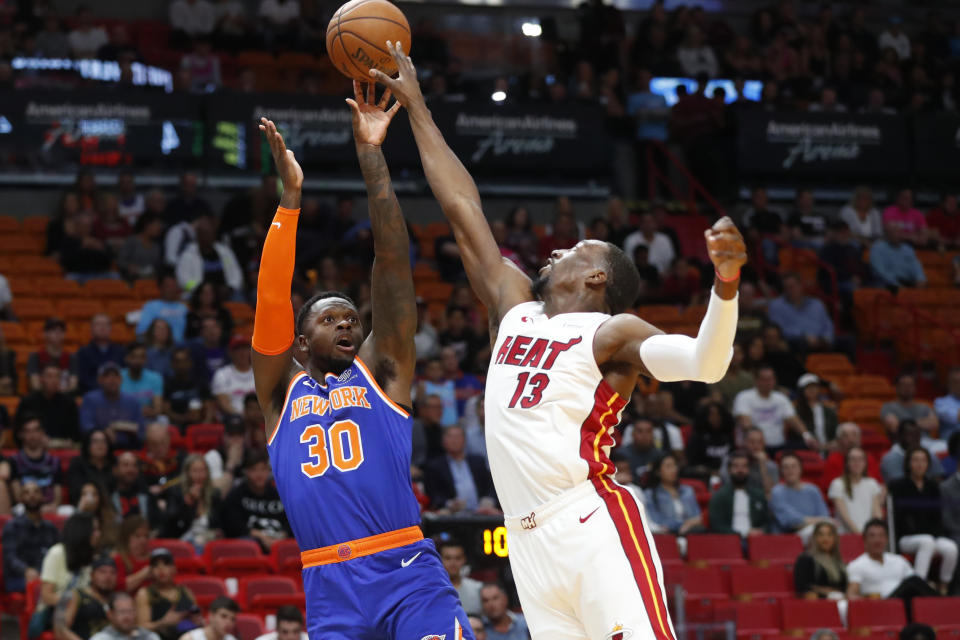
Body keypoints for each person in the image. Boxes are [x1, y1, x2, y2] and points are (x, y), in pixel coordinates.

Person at [383, 48, 742, 640]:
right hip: (525, 543)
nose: (557, 250)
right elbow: (461, 206)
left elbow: (707, 365)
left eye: (576, 249)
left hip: (589, 520)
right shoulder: (514, 306)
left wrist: (724, 287)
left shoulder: (611, 333)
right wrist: (417, 106)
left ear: (598, 277)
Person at [250, 97, 474, 638]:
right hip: (330, 585)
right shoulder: (279, 390)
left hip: (406, 571)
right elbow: (271, 303)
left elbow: (393, 263)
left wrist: (372, 156)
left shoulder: (383, 373)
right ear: (301, 341)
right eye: (331, 319)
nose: (348, 325)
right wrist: (290, 202)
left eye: (352, 318)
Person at [888, 447, 958, 593]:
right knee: (926, 541)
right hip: (906, 538)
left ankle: (944, 586)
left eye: (923, 460)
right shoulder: (898, 486)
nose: (919, 464)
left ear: (928, 464)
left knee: (951, 548)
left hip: (931, 536)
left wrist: (935, 533)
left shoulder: (933, 487)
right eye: (915, 460)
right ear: (908, 463)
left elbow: (937, 517)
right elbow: (898, 518)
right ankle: (919, 585)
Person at [33, 513, 101, 638]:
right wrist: (75, 602)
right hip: (57, 610)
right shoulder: (57, 553)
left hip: (85, 610)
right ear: (83, 532)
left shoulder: (94, 557)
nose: (99, 534)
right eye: (95, 530)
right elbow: (47, 595)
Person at [846, 519, 937, 607]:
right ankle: (943, 603)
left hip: (905, 604)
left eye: (881, 535)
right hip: (881, 606)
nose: (877, 540)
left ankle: (942, 603)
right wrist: (868, 599)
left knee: (916, 582)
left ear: (886, 539)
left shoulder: (898, 560)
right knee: (913, 582)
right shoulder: (857, 565)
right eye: (872, 536)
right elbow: (851, 595)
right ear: (865, 540)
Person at [423, 425, 497, 513]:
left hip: (481, 512)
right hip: (451, 515)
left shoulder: (478, 461)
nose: (454, 440)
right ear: (443, 441)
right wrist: (449, 504)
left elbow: (491, 486)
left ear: (465, 441)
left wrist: (489, 500)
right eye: (450, 437)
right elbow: (433, 494)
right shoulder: (435, 466)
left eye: (458, 437)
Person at [1, 482, 60, 592]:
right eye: (27, 492)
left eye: (36, 492)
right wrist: (26, 570)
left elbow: (58, 552)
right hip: (19, 577)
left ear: (43, 497)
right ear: (21, 498)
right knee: (38, 586)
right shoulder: (12, 526)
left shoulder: (50, 528)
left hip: (46, 576)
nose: (32, 495)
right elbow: (9, 557)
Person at [733, 367, 808, 451]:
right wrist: (757, 443)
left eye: (770, 379)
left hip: (779, 445)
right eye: (764, 379)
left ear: (775, 380)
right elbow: (745, 423)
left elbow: (793, 420)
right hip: (753, 447)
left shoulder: (781, 398)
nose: (767, 382)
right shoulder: (744, 397)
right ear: (756, 380)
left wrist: (807, 436)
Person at [135, 549, 201, 640]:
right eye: (155, 565)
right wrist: (162, 623)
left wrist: (198, 621)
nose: (160, 569)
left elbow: (196, 617)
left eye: (166, 564)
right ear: (151, 571)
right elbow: (141, 628)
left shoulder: (186, 592)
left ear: (174, 568)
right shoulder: (145, 593)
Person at [162, 454, 221, 549]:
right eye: (195, 471)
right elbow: (170, 525)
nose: (199, 475)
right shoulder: (176, 492)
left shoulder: (214, 494)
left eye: (203, 470)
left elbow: (219, 524)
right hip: (182, 540)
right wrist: (188, 503)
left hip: (209, 540)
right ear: (187, 473)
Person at [769, 452, 832, 540]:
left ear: (800, 469)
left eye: (793, 466)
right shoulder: (776, 492)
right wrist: (819, 521)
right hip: (788, 538)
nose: (790, 470)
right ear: (781, 471)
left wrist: (822, 521)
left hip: (815, 533)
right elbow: (791, 521)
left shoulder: (813, 490)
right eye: (786, 467)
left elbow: (824, 515)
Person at [80, 363, 144, 449]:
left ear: (121, 379)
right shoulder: (90, 399)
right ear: (99, 380)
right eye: (107, 376)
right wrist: (103, 432)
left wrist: (133, 432)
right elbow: (86, 426)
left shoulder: (132, 401)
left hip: (128, 448)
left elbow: (141, 430)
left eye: (115, 376)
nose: (112, 379)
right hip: (99, 448)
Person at [54, 555, 118, 640]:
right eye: (102, 572)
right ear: (92, 575)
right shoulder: (74, 595)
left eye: (112, 572)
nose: (108, 577)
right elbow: (60, 630)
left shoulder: (119, 599)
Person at [767, 274, 834, 352]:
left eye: (792, 287)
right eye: (786, 288)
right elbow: (778, 330)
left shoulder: (817, 304)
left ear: (801, 286)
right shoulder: (776, 305)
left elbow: (828, 325)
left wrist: (826, 338)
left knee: (846, 341)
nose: (789, 290)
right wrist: (804, 337)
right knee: (798, 344)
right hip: (796, 342)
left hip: (821, 340)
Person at [18, 363, 81, 446]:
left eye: (57, 376)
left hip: (63, 447)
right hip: (34, 447)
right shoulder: (28, 401)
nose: (53, 380)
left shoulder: (69, 403)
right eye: (49, 376)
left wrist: (69, 440)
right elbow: (18, 431)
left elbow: (76, 431)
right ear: (41, 378)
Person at [708, 450, 769, 537]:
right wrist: (741, 534)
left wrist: (760, 531)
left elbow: (768, 523)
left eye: (744, 466)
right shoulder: (719, 496)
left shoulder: (758, 495)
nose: (740, 470)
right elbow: (716, 525)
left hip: (756, 541)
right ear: (729, 470)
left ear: (749, 470)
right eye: (736, 466)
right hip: (729, 542)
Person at [10, 414, 63, 512]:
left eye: (36, 430)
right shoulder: (14, 461)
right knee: (18, 510)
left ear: (42, 432)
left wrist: (52, 506)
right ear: (21, 434)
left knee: (68, 510)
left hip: (49, 507)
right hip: (24, 509)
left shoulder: (54, 461)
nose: (32, 435)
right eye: (28, 431)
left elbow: (58, 497)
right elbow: (18, 497)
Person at [828, 447, 884, 535]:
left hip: (868, 535)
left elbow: (877, 513)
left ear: (865, 463)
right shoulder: (837, 484)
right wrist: (860, 535)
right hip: (846, 535)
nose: (857, 462)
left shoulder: (872, 483)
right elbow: (845, 517)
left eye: (860, 459)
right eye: (852, 459)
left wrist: (874, 533)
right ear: (847, 463)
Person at [643, 453, 703, 535]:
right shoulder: (650, 494)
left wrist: (689, 524)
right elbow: (656, 521)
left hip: (691, 533)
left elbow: (698, 517)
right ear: (658, 472)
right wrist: (684, 525)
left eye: (675, 466)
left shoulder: (688, 491)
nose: (673, 470)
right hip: (667, 536)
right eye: (668, 466)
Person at [820, 423, 882, 492]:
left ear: (860, 439)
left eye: (854, 435)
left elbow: (879, 484)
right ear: (838, 441)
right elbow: (830, 489)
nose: (851, 439)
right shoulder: (833, 460)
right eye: (845, 436)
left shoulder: (869, 458)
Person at [794, 521, 848, 600]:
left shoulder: (839, 562)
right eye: (821, 535)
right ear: (814, 537)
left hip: (840, 600)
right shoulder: (805, 559)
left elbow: (844, 586)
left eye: (829, 535)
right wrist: (824, 591)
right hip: (818, 602)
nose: (825, 539)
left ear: (835, 538)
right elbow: (802, 587)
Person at [76, 314, 127, 394]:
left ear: (110, 328)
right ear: (91, 329)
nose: (102, 327)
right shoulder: (83, 352)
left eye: (105, 324)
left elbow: (124, 375)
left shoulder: (121, 351)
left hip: (117, 394)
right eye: (98, 324)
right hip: (92, 395)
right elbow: (83, 379)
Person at [881, 374, 939, 440]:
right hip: (902, 443)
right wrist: (922, 423)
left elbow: (934, 424)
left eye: (910, 385)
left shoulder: (924, 407)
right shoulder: (888, 407)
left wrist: (908, 423)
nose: (907, 388)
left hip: (925, 441)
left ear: (915, 387)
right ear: (896, 387)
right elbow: (894, 427)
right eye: (903, 385)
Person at [27, 317, 77, 393]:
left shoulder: (71, 358)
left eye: (61, 331)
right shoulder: (35, 356)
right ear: (45, 334)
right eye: (53, 330)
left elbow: (73, 385)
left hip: (64, 398)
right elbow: (35, 385)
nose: (57, 333)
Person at [136, 272, 189, 343]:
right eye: (168, 286)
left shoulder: (183, 308)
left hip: (181, 349)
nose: (171, 289)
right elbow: (141, 333)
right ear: (161, 288)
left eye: (173, 286)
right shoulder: (151, 306)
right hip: (159, 348)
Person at [685, 402, 735, 476]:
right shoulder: (697, 437)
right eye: (711, 415)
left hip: (727, 475)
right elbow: (693, 464)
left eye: (718, 415)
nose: (715, 418)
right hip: (704, 476)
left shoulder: (728, 436)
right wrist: (710, 472)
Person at [211, 335, 255, 418]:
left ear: (250, 350)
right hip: (233, 418)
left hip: (259, 418)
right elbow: (224, 403)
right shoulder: (222, 374)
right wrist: (243, 416)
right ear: (230, 353)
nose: (242, 352)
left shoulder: (258, 373)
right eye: (237, 349)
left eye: (245, 348)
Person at [870, 224, 926, 289]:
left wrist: (921, 279)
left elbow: (916, 266)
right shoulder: (878, 248)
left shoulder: (908, 249)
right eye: (894, 232)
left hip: (907, 282)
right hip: (887, 284)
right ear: (888, 234)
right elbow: (879, 272)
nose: (897, 235)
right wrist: (897, 284)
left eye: (899, 232)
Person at [90, 592, 161, 640]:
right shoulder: (101, 638)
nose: (127, 616)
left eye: (130, 611)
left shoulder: (150, 637)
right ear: (110, 614)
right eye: (122, 612)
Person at [439, 540, 483, 616]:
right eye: (448, 558)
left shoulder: (477, 588)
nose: (453, 563)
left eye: (458, 558)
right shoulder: (430, 590)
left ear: (464, 559)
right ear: (439, 560)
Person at [122, 343, 165, 421]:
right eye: (133, 357)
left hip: (147, 418)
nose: (138, 361)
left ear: (146, 359)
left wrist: (152, 411)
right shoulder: (118, 377)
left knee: (163, 420)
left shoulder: (155, 378)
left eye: (142, 357)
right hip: (124, 419)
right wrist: (138, 411)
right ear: (127, 358)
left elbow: (158, 409)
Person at [794, 374, 838, 449]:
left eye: (814, 386)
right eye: (808, 387)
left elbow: (835, 431)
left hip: (829, 450)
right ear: (802, 390)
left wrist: (831, 444)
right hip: (806, 450)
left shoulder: (829, 411)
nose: (812, 389)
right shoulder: (796, 412)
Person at [67, 430, 115, 496]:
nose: (100, 445)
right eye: (95, 441)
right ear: (88, 445)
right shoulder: (77, 464)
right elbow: (75, 491)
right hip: (85, 502)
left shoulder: (114, 463)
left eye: (104, 441)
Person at [114, 516, 151, 594]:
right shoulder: (119, 558)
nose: (143, 540)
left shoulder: (153, 558)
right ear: (126, 537)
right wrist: (143, 573)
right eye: (137, 536)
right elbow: (119, 587)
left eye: (146, 536)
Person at [935, 366, 960, 444]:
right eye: (956, 382)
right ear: (949, 383)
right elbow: (955, 418)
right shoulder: (940, 402)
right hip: (949, 444)